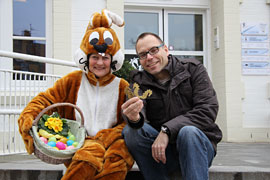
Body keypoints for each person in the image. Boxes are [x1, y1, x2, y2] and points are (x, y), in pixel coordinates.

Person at [18, 9, 133, 180]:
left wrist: (105, 137)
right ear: (86, 58)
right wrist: (29, 115)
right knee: (89, 154)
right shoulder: (73, 80)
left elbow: (129, 122)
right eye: (94, 57)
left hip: (112, 142)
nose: (100, 63)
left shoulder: (122, 86)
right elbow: (46, 99)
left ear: (113, 60)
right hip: (79, 143)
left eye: (105, 58)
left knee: (119, 159)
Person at [121, 32, 222, 180]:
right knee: (131, 131)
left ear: (166, 49)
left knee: (188, 132)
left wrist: (167, 130)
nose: (149, 57)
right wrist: (135, 118)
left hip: (197, 148)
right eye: (142, 55)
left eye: (154, 50)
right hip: (161, 153)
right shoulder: (137, 81)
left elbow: (207, 110)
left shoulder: (193, 69)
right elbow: (137, 113)